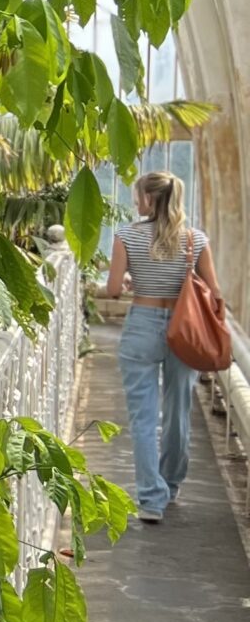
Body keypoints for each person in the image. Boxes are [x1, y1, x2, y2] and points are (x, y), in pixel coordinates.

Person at [103, 170, 218, 523]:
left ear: (150, 199)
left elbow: (112, 291)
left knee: (143, 417)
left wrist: (127, 278)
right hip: (185, 330)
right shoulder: (195, 240)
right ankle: (171, 483)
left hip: (142, 324)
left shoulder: (126, 236)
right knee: (179, 410)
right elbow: (214, 294)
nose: (135, 202)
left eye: (138, 195)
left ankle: (151, 500)